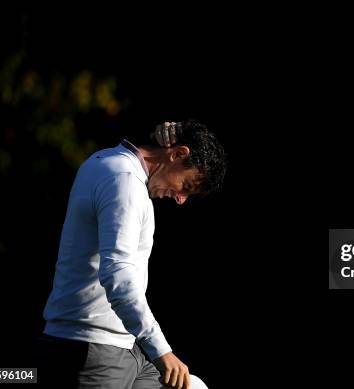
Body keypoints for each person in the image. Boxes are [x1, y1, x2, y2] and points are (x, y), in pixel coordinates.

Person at [34, 120, 227, 388]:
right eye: (187, 186)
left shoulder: (105, 162)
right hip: (94, 350)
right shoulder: (124, 181)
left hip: (123, 347)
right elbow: (117, 273)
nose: (181, 199)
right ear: (178, 154)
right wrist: (161, 350)